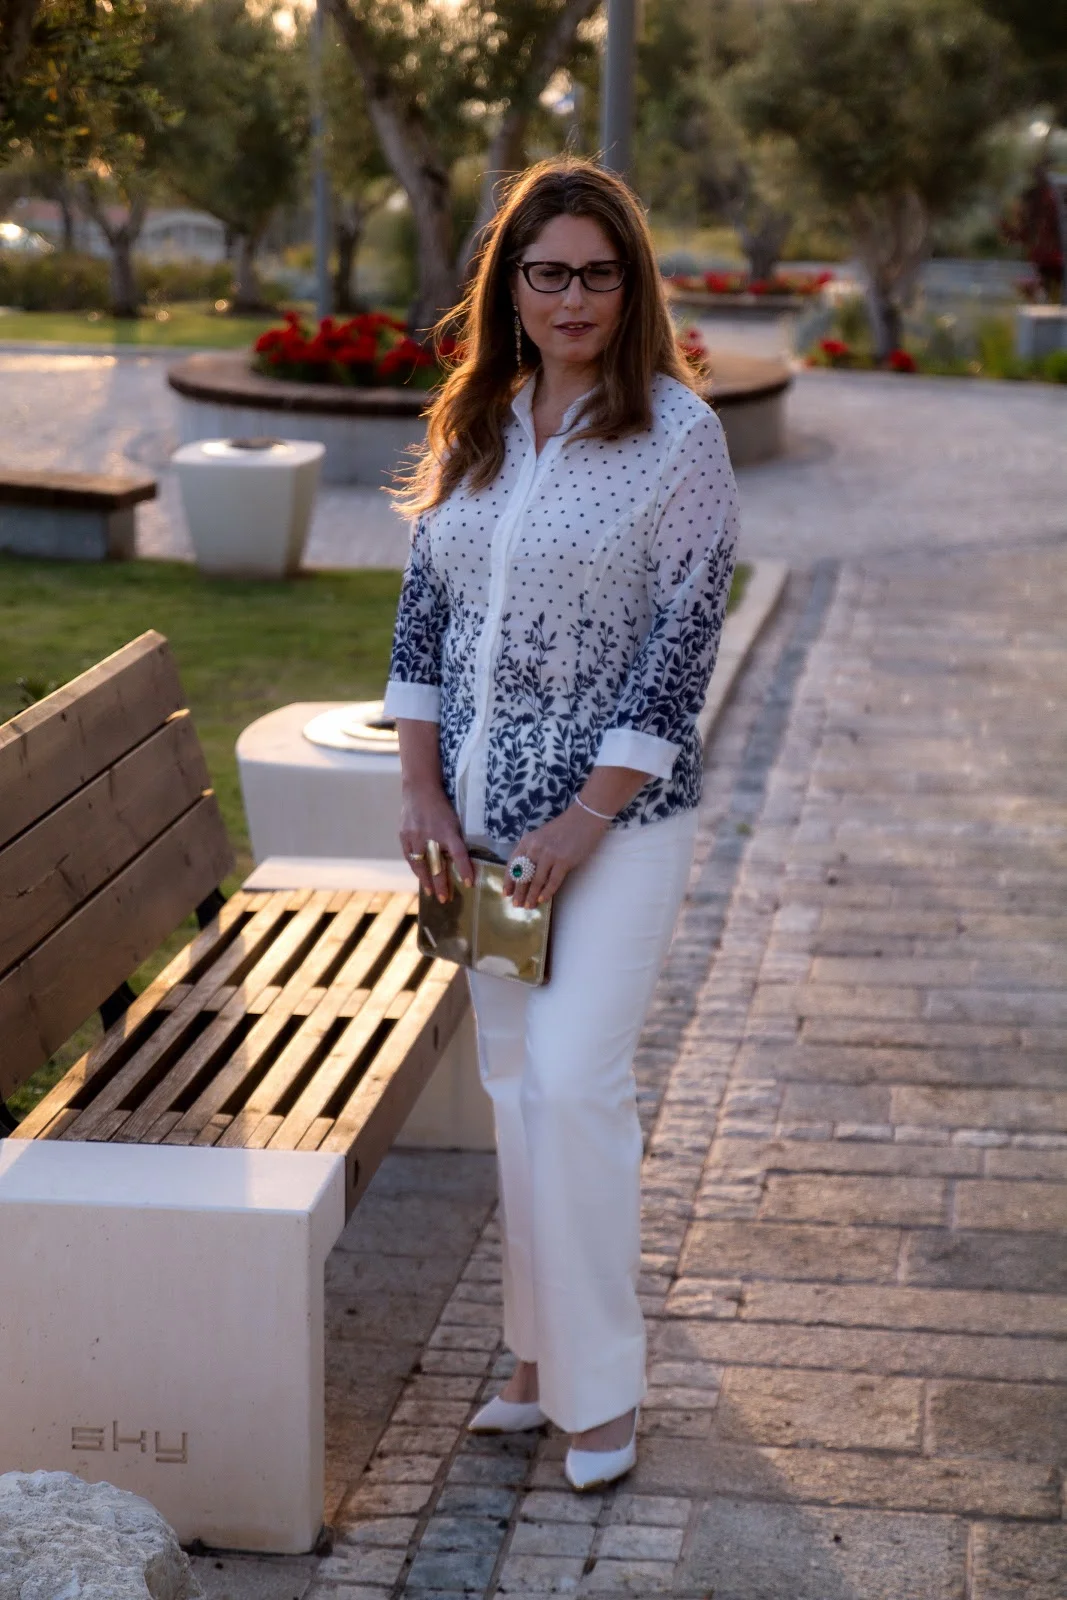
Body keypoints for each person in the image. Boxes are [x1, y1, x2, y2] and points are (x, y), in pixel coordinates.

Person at [383, 157, 739, 1491]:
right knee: (514, 1089)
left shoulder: (678, 439)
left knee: (578, 1084)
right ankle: (535, 1358)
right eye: (548, 273)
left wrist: (586, 820)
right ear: (512, 288)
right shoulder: (475, 424)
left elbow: (680, 647)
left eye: (598, 272)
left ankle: (602, 1391)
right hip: (480, 829)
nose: (573, 297)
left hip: (620, 827)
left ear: (631, 286)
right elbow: (425, 616)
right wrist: (420, 787)